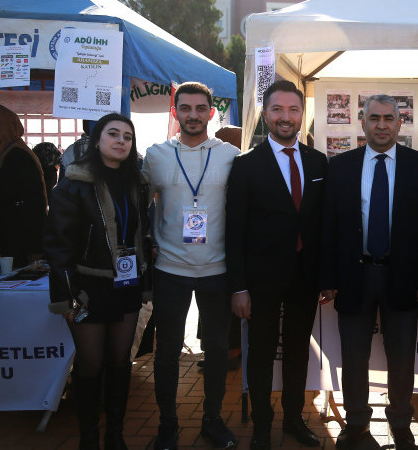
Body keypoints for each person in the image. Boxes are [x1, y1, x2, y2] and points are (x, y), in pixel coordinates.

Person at [320, 94, 418, 450]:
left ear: (400, 123)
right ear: (363, 122)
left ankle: (401, 421)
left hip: (402, 276)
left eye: (388, 118)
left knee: (402, 355)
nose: (382, 125)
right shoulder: (340, 166)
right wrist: (328, 279)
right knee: (354, 356)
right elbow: (329, 227)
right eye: (374, 118)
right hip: (355, 276)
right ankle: (355, 421)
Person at [225, 80, 327, 450]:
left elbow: (322, 225)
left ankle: (294, 420)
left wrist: (327, 277)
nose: (286, 117)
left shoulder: (318, 162)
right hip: (260, 282)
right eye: (278, 109)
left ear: (303, 114)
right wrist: (238, 287)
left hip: (305, 279)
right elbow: (234, 231)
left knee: (299, 353)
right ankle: (263, 428)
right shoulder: (246, 165)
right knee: (263, 355)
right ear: (265, 114)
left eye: (293, 109)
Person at [141, 82, 240, 450]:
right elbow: (137, 204)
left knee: (217, 351)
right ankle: (168, 424)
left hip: (218, 270)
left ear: (211, 112)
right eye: (186, 108)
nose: (194, 115)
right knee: (166, 351)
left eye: (201, 108)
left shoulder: (231, 155)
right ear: (176, 111)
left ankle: (212, 419)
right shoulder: (156, 155)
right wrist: (146, 242)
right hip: (170, 269)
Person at [45, 113, 152, 450]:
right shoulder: (74, 183)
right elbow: (59, 245)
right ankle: (89, 437)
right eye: (113, 134)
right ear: (97, 141)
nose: (121, 141)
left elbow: (143, 235)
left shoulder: (138, 183)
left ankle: (116, 435)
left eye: (127, 137)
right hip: (87, 289)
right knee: (90, 364)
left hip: (127, 285)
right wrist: (66, 295)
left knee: (121, 362)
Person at [0, 104, 47, 267]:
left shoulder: (18, 156)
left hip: (19, 241)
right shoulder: (3, 154)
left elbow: (34, 204)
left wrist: (36, 248)